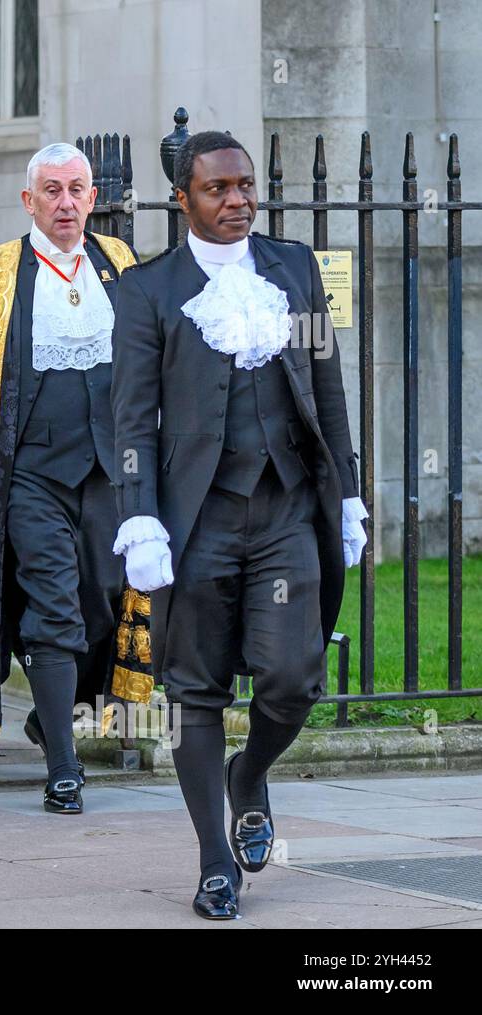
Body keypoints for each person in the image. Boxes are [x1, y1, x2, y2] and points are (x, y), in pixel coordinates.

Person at [110, 131, 366, 919]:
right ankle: (215, 863)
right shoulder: (148, 291)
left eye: (246, 187)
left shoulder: (291, 270)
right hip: (198, 519)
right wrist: (140, 518)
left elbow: (327, 392)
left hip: (288, 505)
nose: (238, 202)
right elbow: (128, 421)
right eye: (218, 189)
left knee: (294, 679)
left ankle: (248, 777)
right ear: (182, 198)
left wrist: (348, 494)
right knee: (194, 691)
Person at [0, 143, 138, 813]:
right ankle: (63, 769)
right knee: (53, 609)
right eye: (52, 191)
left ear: (92, 199)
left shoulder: (121, 266)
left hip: (109, 474)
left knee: (103, 601)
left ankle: (54, 714)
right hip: (28, 473)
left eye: (76, 190)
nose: (65, 203)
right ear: (28, 201)